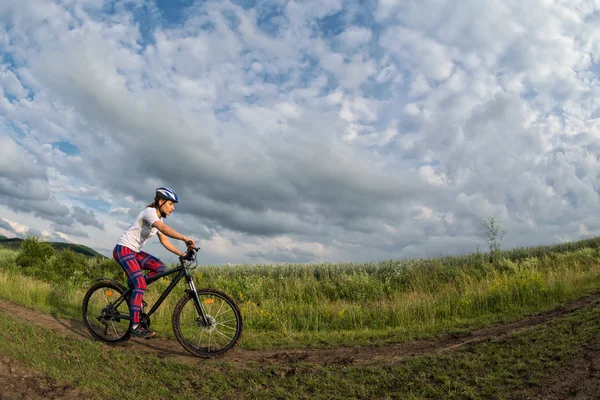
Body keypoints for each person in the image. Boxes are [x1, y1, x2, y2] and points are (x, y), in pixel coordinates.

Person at [113, 187, 195, 338]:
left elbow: (164, 240)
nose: (173, 208)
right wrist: (184, 238)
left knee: (160, 268)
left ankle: (133, 289)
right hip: (123, 250)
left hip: (134, 252)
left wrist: (182, 253)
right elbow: (163, 228)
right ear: (161, 201)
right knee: (141, 284)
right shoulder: (150, 213)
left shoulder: (158, 219)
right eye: (170, 204)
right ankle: (135, 325)